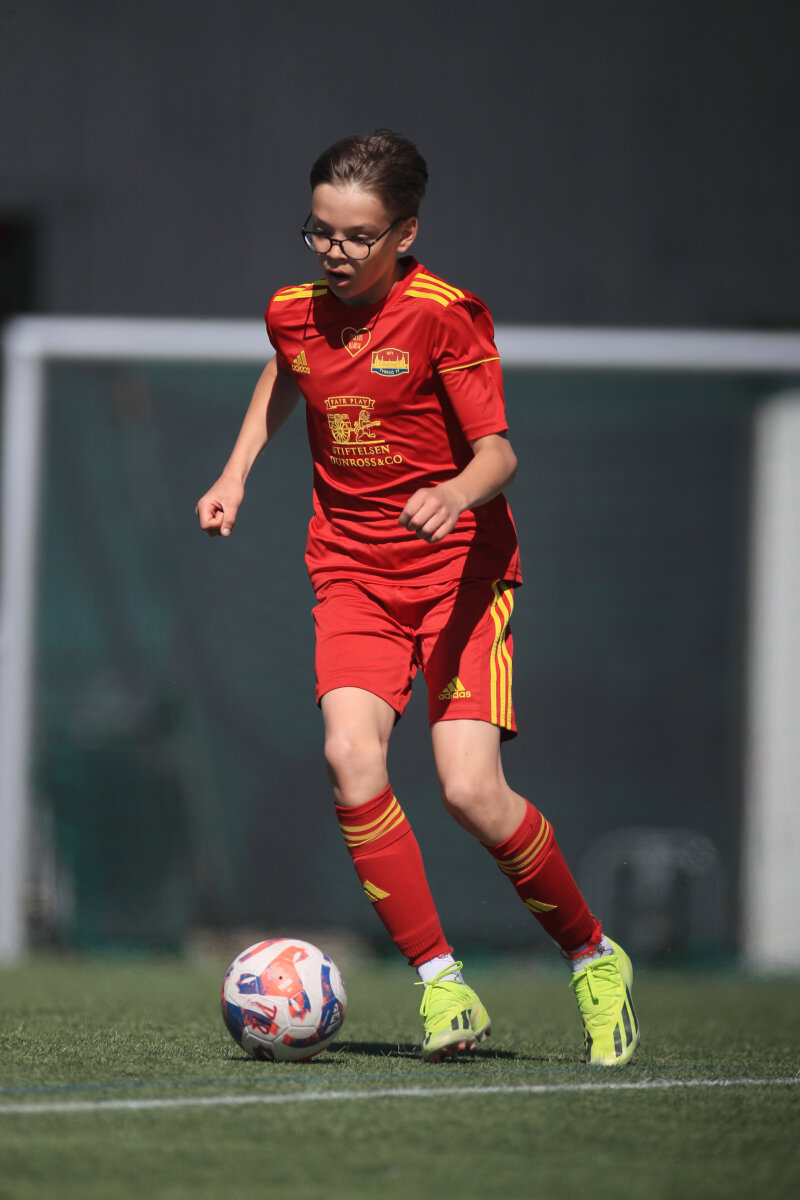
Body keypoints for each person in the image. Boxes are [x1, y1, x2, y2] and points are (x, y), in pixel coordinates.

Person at [196, 130, 639, 1066]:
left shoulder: (446, 316)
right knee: (349, 757)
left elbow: (499, 453)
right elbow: (286, 370)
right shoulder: (292, 311)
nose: (335, 252)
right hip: (352, 571)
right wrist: (235, 473)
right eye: (321, 231)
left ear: (404, 233)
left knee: (470, 792)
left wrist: (455, 493)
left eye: (358, 237)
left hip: (459, 574)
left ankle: (594, 957)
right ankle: (443, 985)